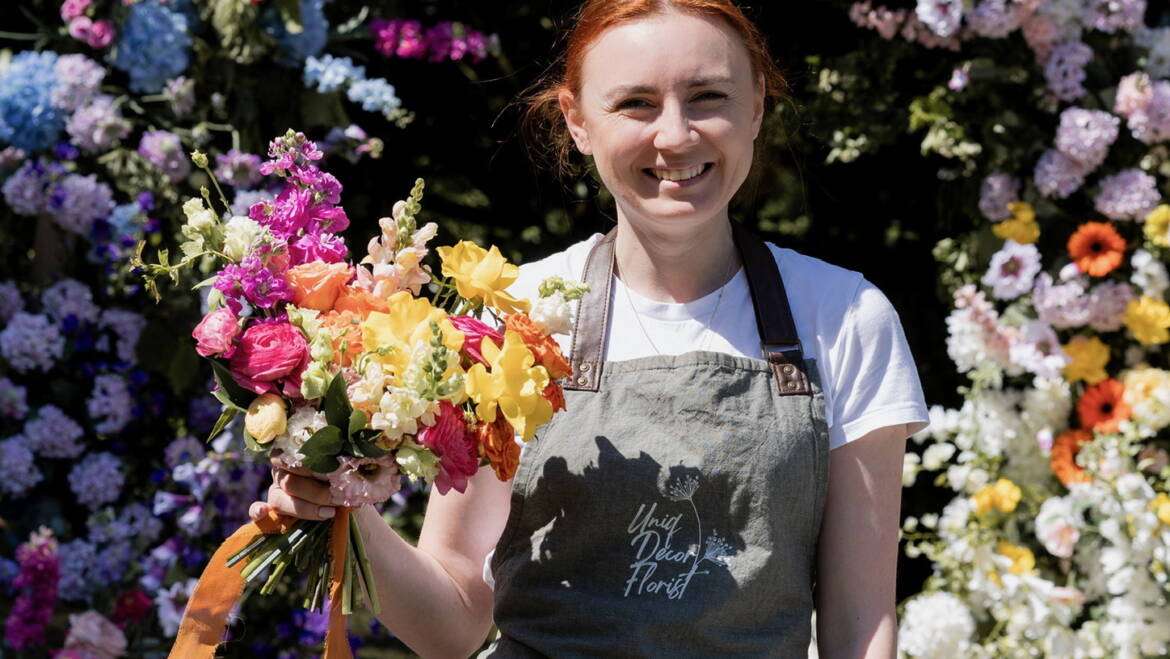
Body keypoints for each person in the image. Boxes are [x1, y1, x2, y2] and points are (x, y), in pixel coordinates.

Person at [249, 1, 929, 656]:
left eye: (708, 97)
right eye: (636, 103)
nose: (675, 134)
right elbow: (451, 624)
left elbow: (860, 623)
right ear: (578, 122)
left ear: (756, 107)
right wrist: (346, 507)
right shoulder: (511, 318)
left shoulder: (843, 318)